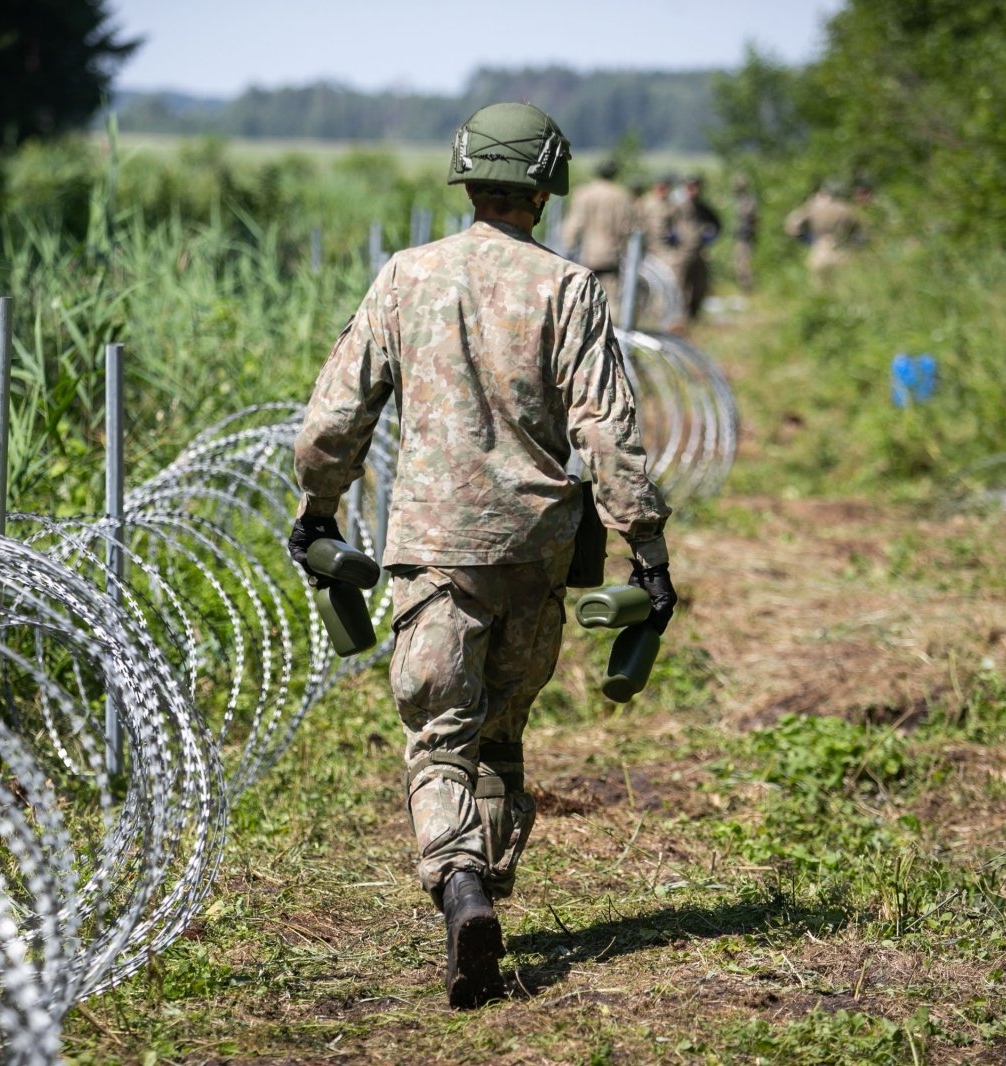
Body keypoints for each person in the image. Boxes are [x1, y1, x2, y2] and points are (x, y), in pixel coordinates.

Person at [289, 102, 678, 1009]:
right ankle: (488, 897)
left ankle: (461, 890)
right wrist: (648, 552)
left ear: (466, 176)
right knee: (501, 737)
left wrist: (318, 509)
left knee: (439, 739)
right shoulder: (571, 289)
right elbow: (609, 436)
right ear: (548, 186)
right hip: (537, 552)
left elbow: (334, 423)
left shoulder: (405, 277)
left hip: (431, 548)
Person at [559, 158, 635, 309]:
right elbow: (626, 228)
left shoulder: (584, 193)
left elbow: (574, 224)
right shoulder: (621, 195)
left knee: (584, 299)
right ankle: (612, 331)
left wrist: (568, 246)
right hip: (612, 255)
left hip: (586, 255)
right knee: (610, 300)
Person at [782, 179, 861, 285]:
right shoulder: (848, 209)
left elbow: (791, 226)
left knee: (821, 293)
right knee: (843, 290)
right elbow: (860, 232)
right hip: (843, 254)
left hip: (819, 252)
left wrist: (808, 240)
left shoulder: (813, 205)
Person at [673, 174, 722, 326]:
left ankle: (693, 315)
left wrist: (710, 237)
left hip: (699, 253)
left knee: (700, 287)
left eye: (696, 187)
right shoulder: (678, 208)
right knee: (679, 285)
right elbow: (663, 225)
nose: (693, 190)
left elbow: (717, 224)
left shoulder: (703, 208)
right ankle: (678, 317)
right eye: (690, 187)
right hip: (682, 253)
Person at [731, 174, 758, 293]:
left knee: (743, 263)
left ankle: (747, 288)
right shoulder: (740, 200)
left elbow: (752, 218)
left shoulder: (748, 200)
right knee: (738, 262)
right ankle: (744, 287)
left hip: (746, 236)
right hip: (741, 235)